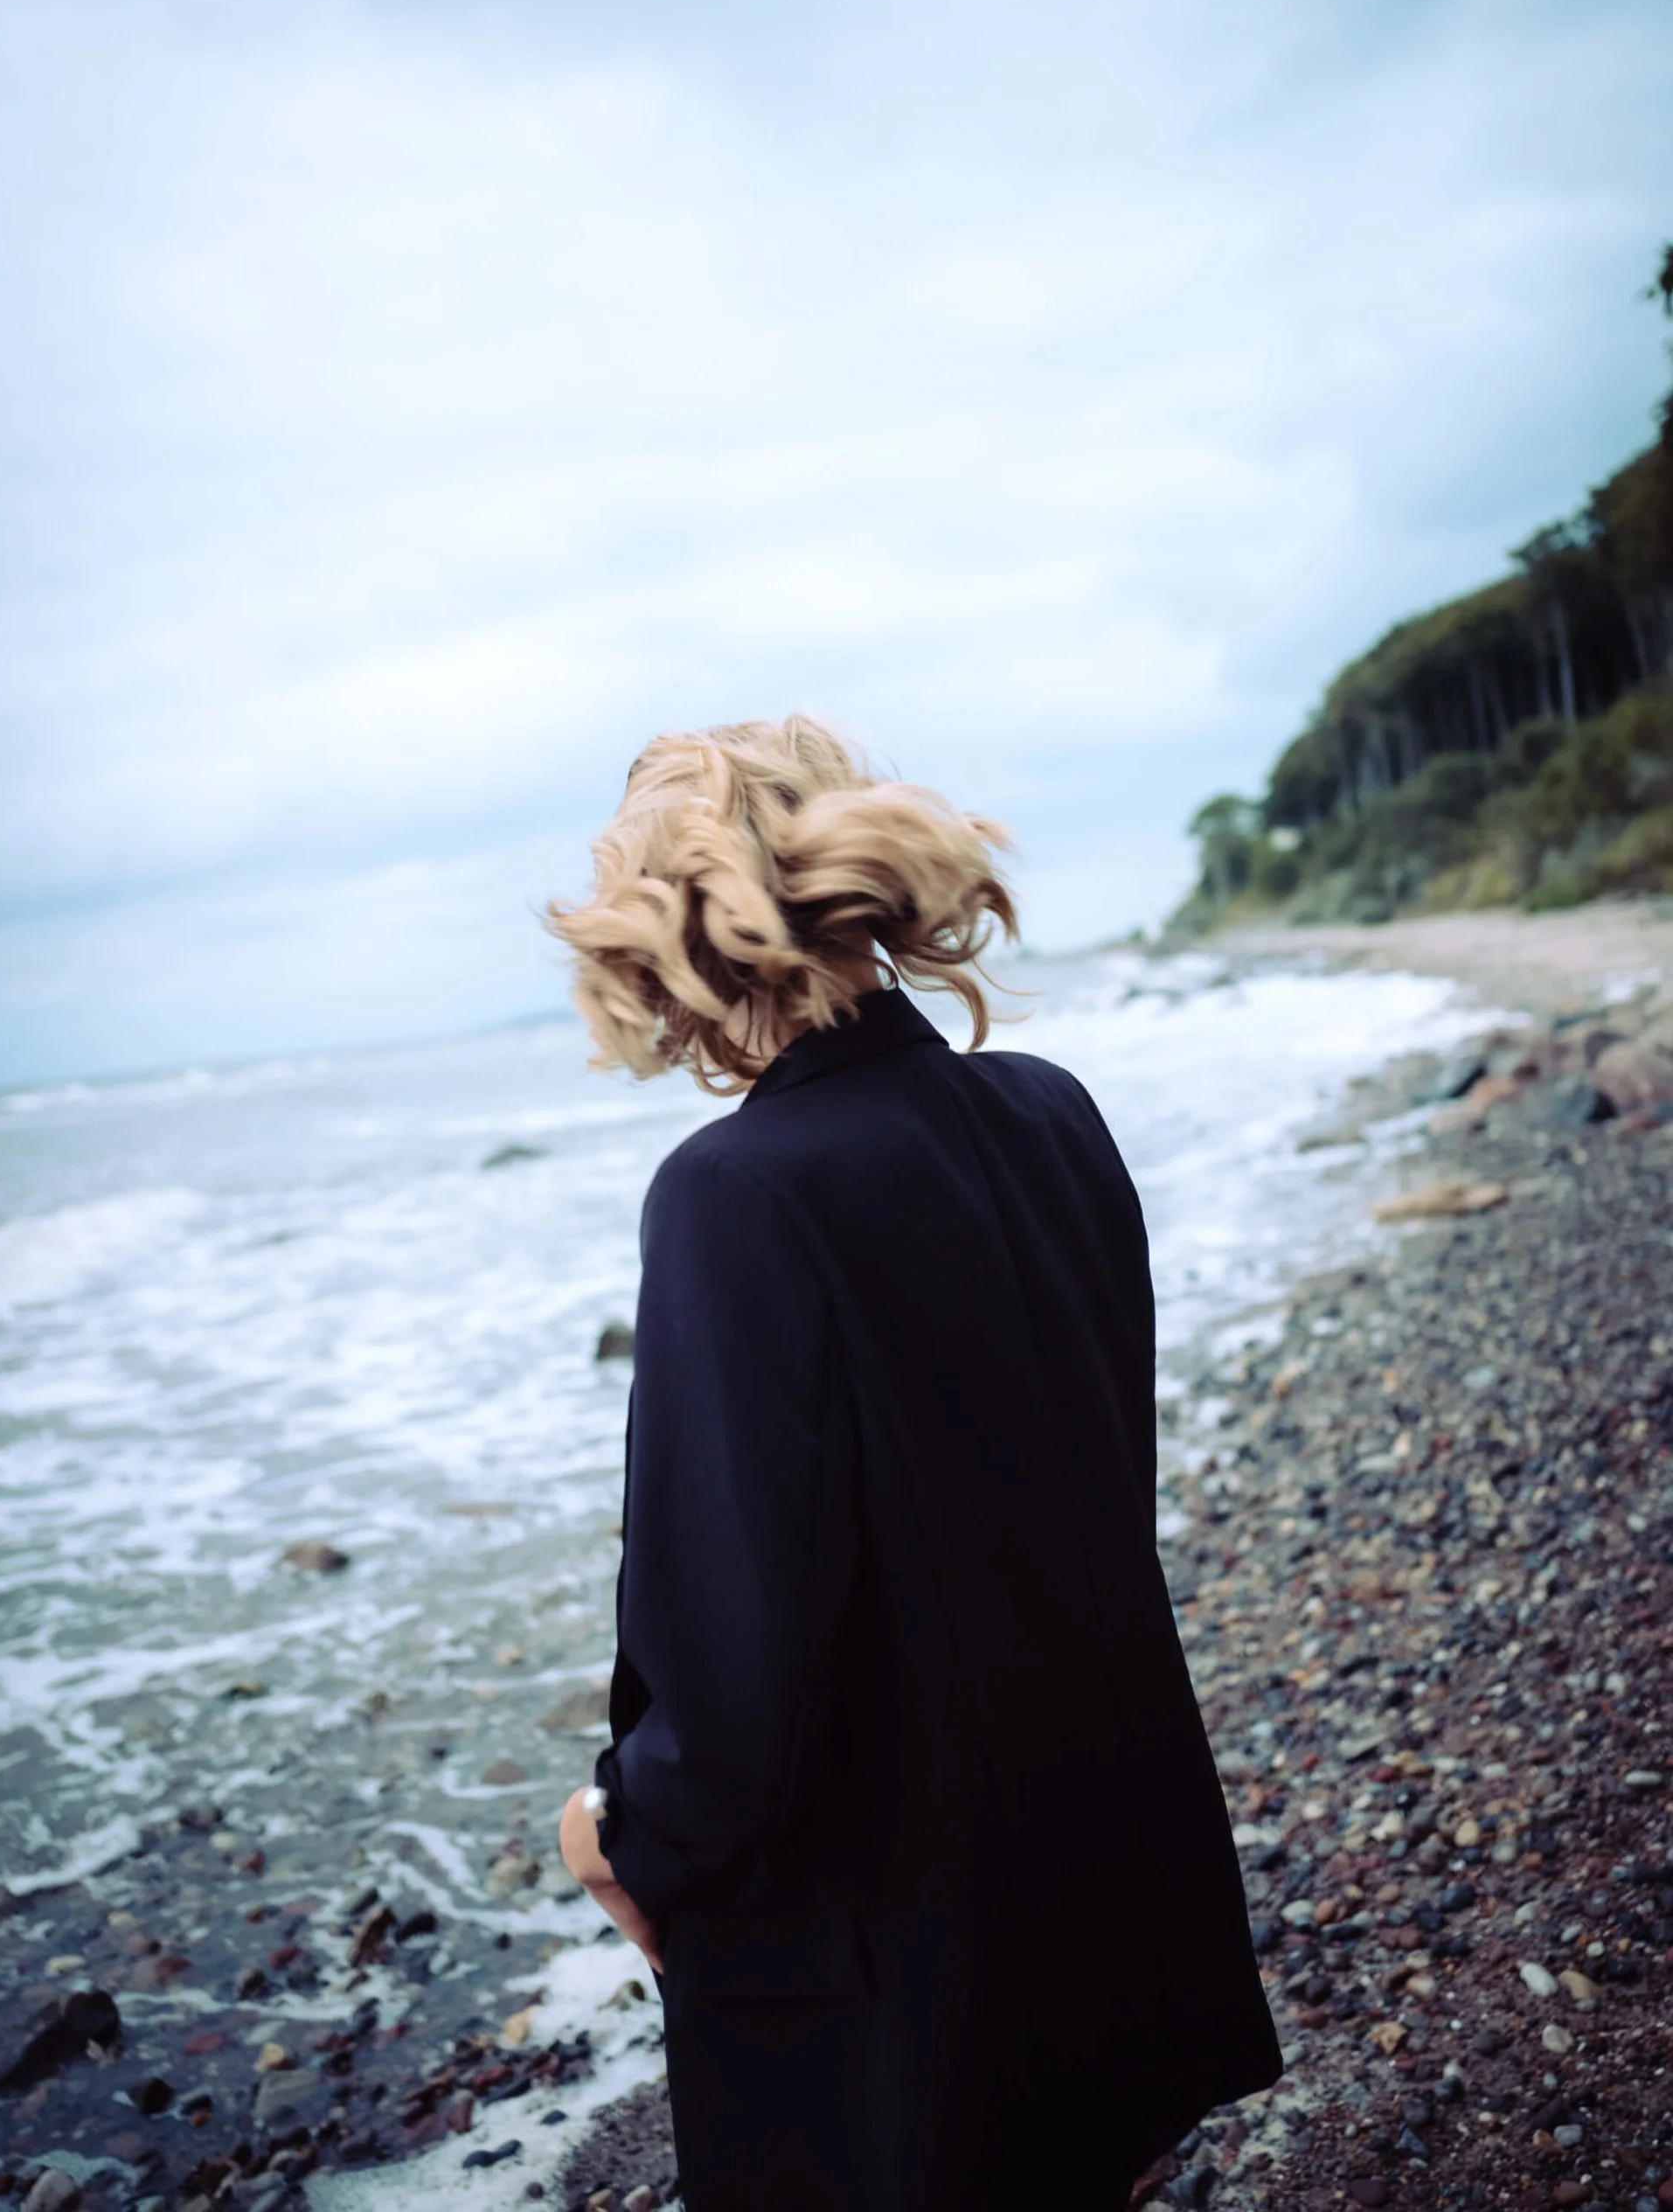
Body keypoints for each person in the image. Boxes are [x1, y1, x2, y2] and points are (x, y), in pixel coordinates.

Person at [548, 717, 1279, 2212]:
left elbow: (738, 1670)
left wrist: (622, 1830)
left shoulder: (733, 1197)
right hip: (1115, 1872)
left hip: (914, 1968)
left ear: (660, 938)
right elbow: (1087, 1482)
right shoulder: (1050, 1109)